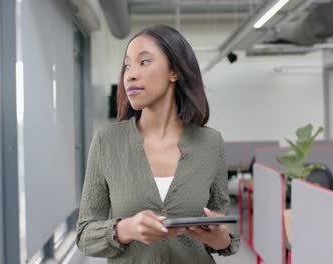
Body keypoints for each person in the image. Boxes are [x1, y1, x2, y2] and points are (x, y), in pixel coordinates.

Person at [76, 25, 239, 263]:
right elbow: (84, 236)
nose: (130, 74)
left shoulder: (210, 143)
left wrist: (219, 239)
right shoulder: (107, 142)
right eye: (127, 65)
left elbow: (227, 233)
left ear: (174, 71)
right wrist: (126, 229)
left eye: (144, 62)